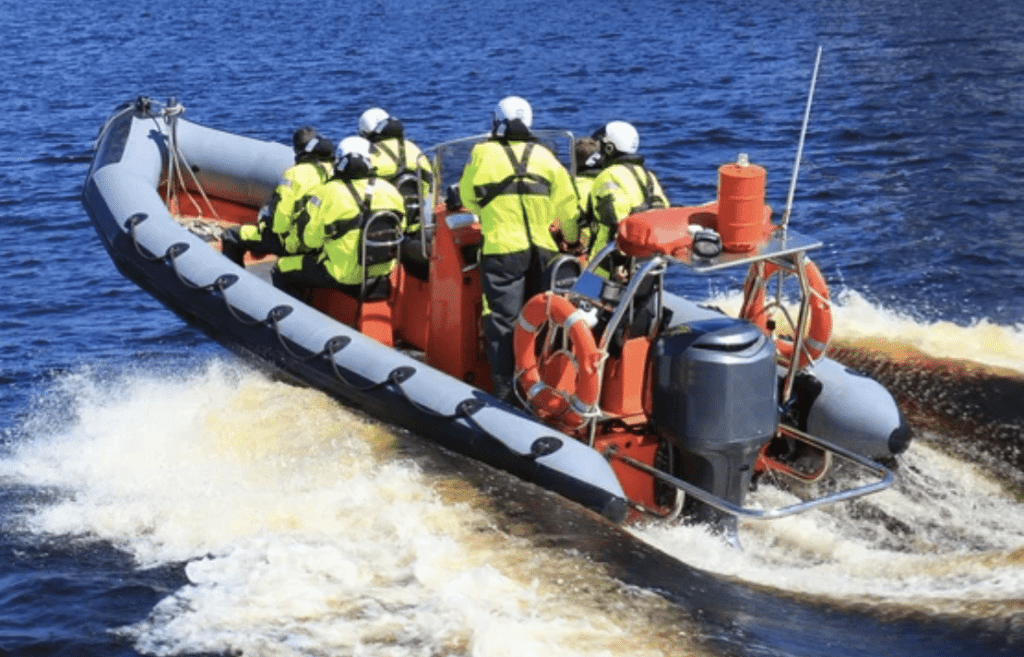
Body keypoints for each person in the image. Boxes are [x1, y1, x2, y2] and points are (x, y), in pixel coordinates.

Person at [457, 96, 581, 401]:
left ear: (497, 121)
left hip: (502, 249)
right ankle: (545, 383)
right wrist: (574, 239)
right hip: (543, 249)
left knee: (503, 320)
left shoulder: (482, 153)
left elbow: (467, 197)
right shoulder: (545, 155)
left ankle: (505, 390)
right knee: (542, 317)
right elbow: (568, 205)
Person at [271, 136, 406, 301]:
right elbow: (401, 228)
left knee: (281, 267)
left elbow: (310, 240)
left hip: (341, 273)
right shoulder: (391, 190)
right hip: (380, 270)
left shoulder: (329, 192)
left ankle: (293, 317)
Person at [221, 126, 334, 265]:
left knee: (231, 235)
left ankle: (236, 282)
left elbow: (279, 225)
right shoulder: (331, 171)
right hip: (320, 243)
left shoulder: (293, 175)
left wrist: (265, 225)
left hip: (294, 244)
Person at [583, 121, 669, 272]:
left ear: (609, 148)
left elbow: (614, 219)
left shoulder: (608, 176)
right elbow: (662, 212)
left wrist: (619, 262)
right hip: (644, 262)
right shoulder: (648, 176)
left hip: (608, 266)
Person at [357, 107, 434, 234]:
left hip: (385, 230)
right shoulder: (415, 150)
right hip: (417, 224)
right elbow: (428, 186)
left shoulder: (367, 157)